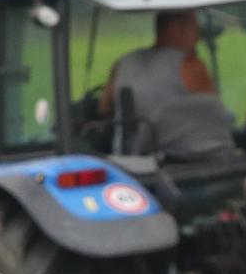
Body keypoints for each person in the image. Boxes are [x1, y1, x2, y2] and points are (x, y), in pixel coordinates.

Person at [100, 10, 233, 161]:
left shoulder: (122, 63)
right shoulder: (191, 66)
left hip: (135, 165)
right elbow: (218, 114)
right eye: (194, 29)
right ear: (174, 29)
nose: (198, 37)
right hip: (202, 165)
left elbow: (105, 107)